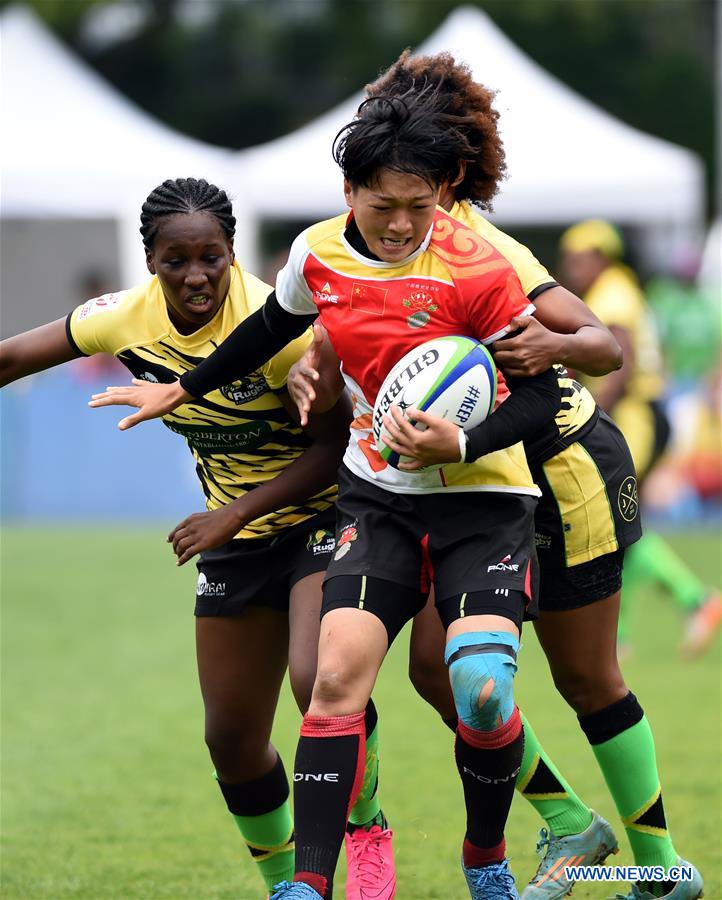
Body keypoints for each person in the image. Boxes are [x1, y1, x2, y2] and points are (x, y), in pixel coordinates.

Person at [89, 90, 569, 899]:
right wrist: (185, 387)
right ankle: (311, 886)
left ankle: (486, 860)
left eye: (418, 206)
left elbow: (544, 393)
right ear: (350, 193)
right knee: (332, 684)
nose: (399, 224)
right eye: (383, 206)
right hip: (379, 496)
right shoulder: (317, 254)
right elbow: (273, 325)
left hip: (482, 503)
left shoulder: (477, 269)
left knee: (480, 692)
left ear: (443, 192)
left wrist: (460, 438)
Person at [288, 51, 705, 900]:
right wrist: (314, 354)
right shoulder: (383, 235)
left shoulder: (479, 246)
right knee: (445, 673)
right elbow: (356, 317)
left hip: (561, 465)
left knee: (587, 678)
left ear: (449, 161)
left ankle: (660, 873)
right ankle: (565, 823)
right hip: (470, 483)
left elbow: (593, 344)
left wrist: (556, 345)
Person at [0, 177, 395, 898]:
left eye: (211, 257)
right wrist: (231, 523)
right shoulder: (122, 319)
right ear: (148, 260)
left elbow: (334, 446)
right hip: (235, 538)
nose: (196, 276)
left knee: (318, 681)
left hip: (323, 517)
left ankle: (366, 822)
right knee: (232, 742)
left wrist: (232, 514)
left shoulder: (276, 326)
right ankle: (289, 887)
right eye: (176, 260)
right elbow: (10, 361)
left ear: (232, 252)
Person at [559, 220, 721, 658]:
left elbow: (620, 366)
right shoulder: (624, 289)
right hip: (645, 415)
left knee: (617, 524)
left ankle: (690, 602)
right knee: (620, 525)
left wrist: (588, 419)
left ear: (601, 256)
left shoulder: (611, 295)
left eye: (579, 258)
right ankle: (629, 630)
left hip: (632, 420)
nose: (572, 269)